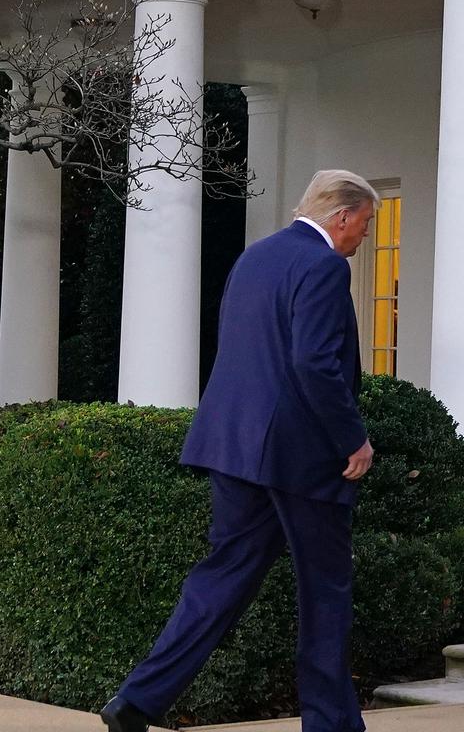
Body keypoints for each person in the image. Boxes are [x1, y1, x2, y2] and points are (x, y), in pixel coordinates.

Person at [101, 170, 379, 732]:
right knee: (324, 592)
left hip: (234, 448)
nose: (365, 237)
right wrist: (353, 438)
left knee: (221, 577)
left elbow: (244, 351)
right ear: (342, 216)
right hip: (301, 458)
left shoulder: (255, 257)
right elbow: (313, 365)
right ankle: (331, 725)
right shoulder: (325, 266)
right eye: (366, 224)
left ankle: (137, 700)